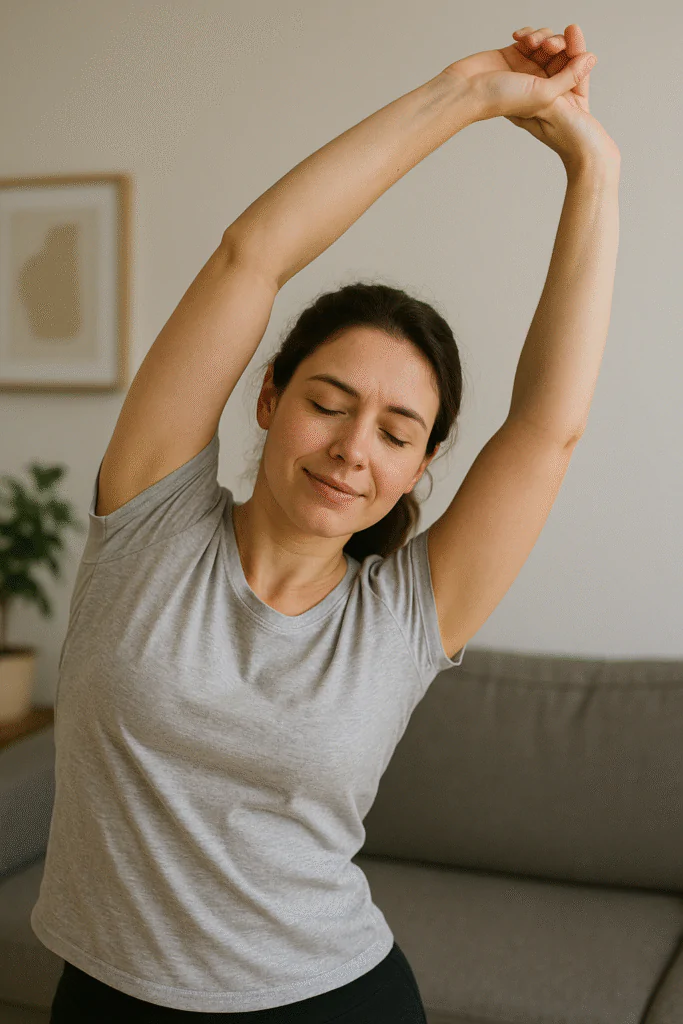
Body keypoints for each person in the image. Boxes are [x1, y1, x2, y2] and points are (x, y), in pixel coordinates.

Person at [36, 21, 619, 1022]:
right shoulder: (149, 521)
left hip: (329, 998)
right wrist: (462, 95)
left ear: (420, 469)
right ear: (267, 398)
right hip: (105, 993)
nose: (354, 446)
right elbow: (248, 257)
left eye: (398, 431)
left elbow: (544, 430)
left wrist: (591, 168)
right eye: (328, 399)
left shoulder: (405, 614)